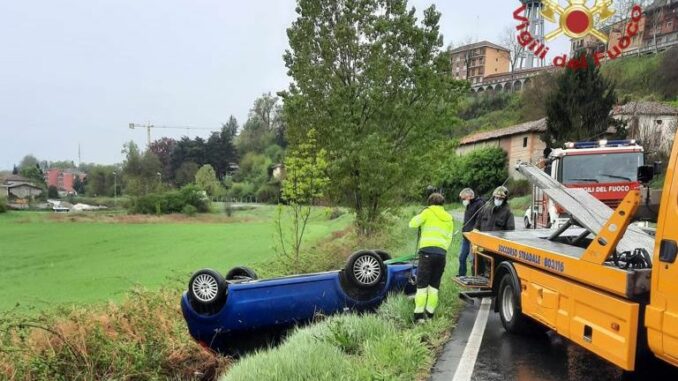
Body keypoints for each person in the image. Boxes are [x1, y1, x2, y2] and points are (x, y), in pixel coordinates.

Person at [408, 192, 454, 323]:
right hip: (441, 254)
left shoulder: (427, 212)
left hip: (427, 253)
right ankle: (430, 314)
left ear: (429, 203)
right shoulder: (449, 218)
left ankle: (418, 317)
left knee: (422, 285)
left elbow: (412, 224)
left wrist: (422, 212)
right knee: (434, 286)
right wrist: (442, 249)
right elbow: (449, 237)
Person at [457, 188, 484, 277]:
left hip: (474, 237)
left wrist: (475, 230)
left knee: (474, 259)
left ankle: (476, 276)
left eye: (463, 199)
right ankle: (462, 275)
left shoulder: (480, 204)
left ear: (469, 196)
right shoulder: (468, 205)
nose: (463, 201)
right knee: (462, 257)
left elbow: (480, 219)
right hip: (466, 236)